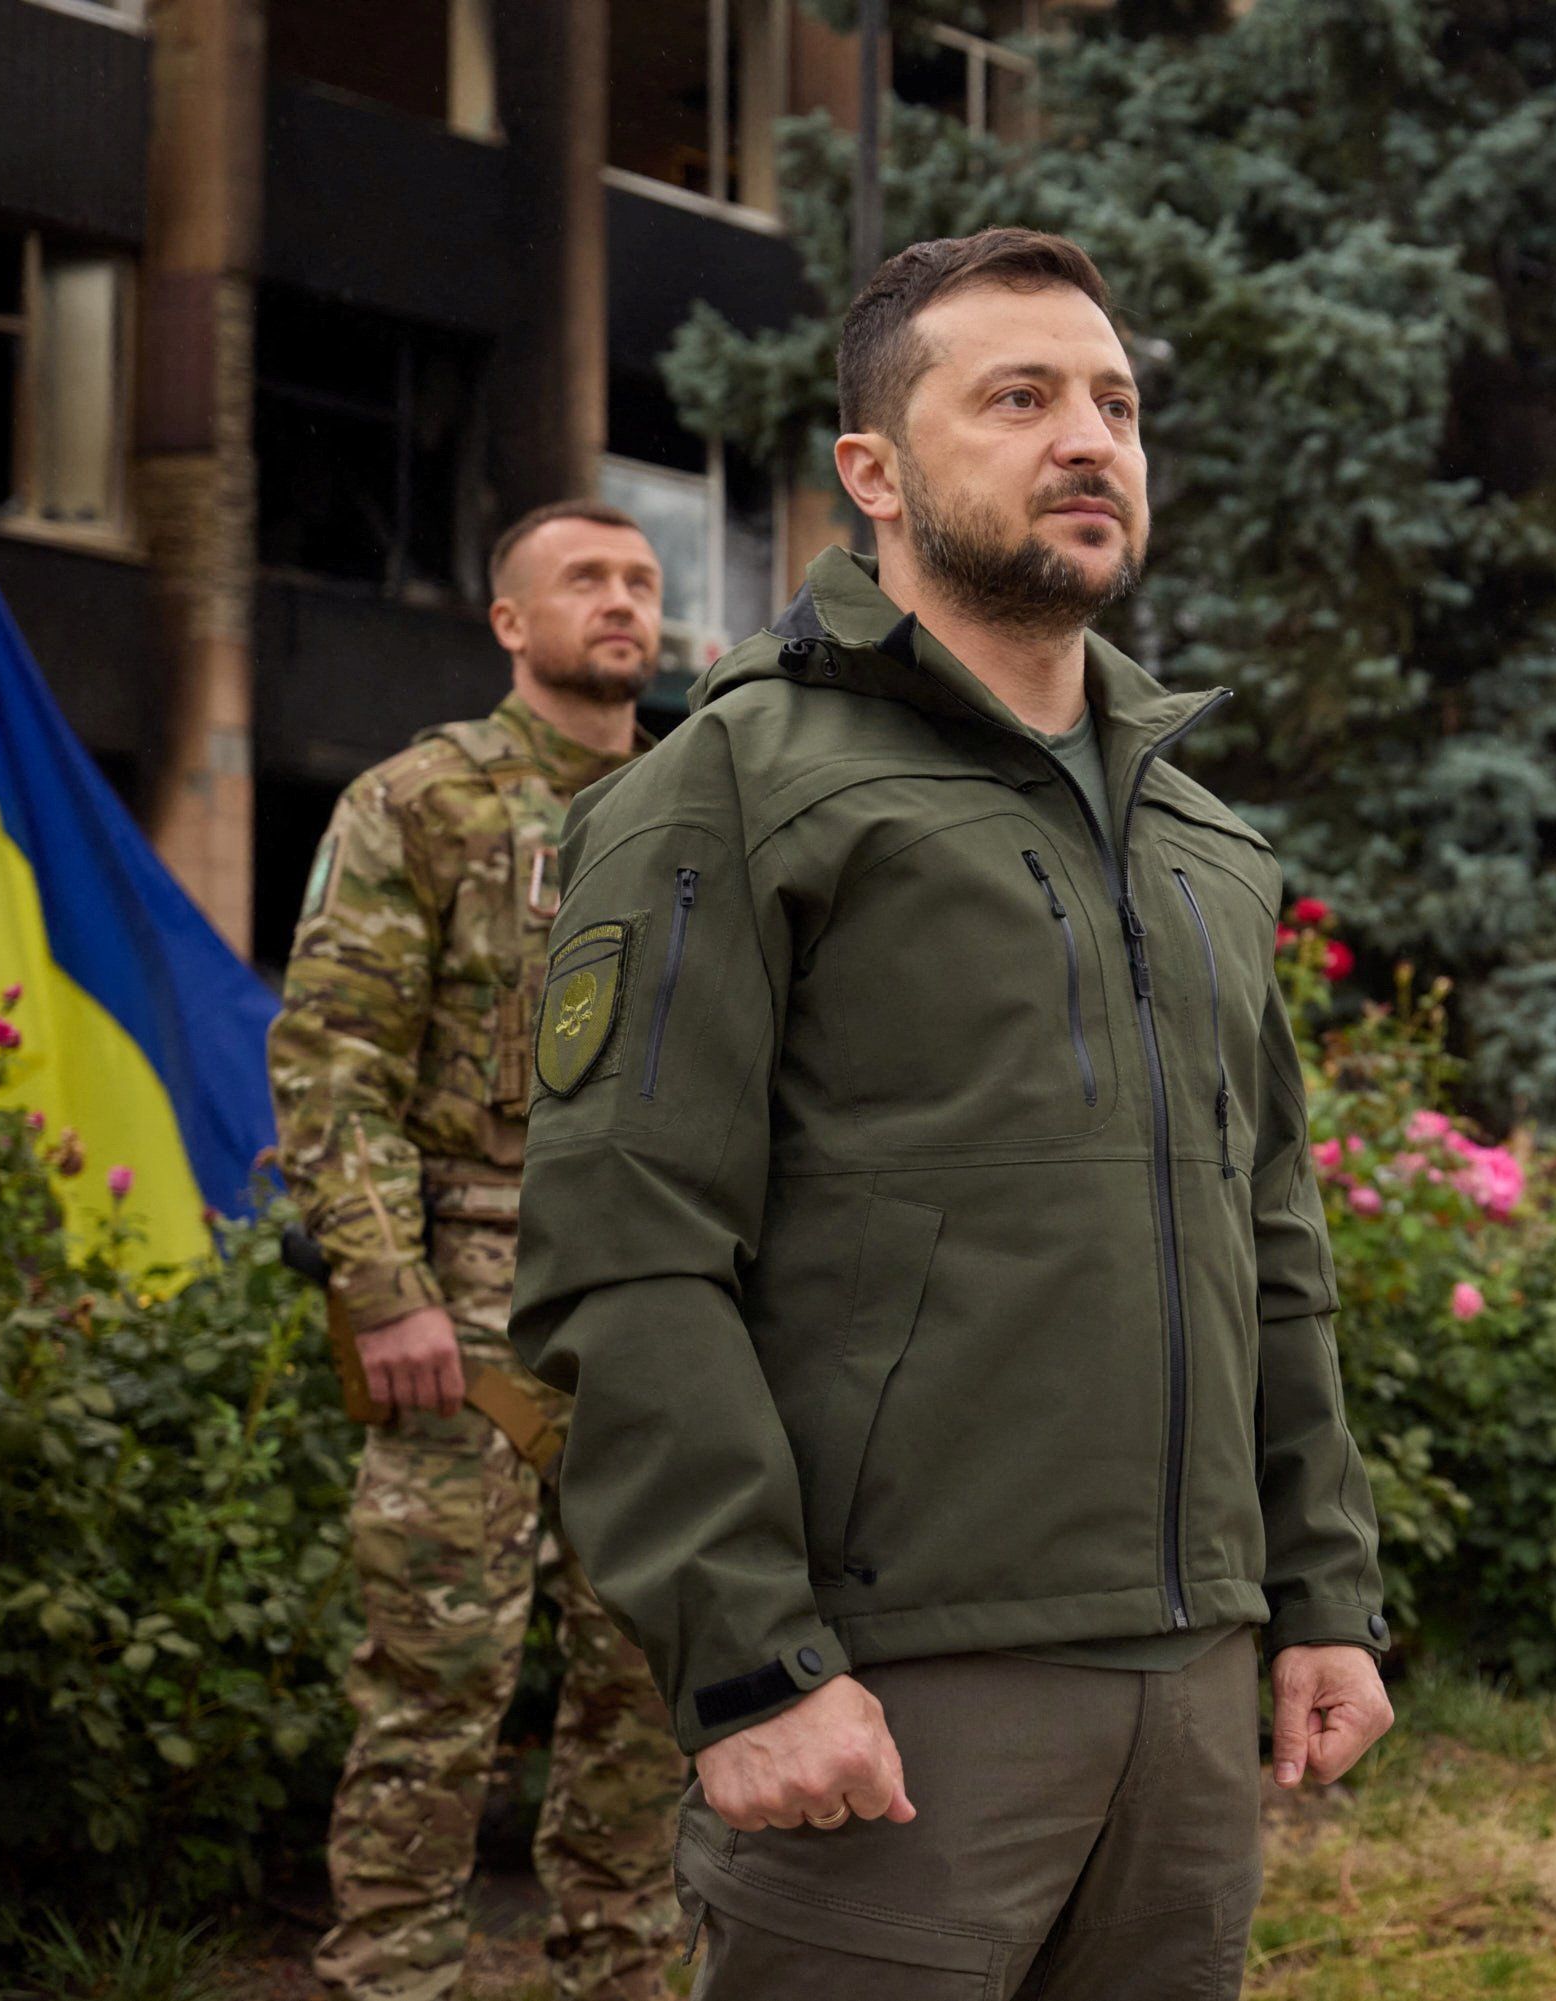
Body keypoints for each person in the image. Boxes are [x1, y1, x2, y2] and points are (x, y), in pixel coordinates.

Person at [508, 229, 1392, 1999]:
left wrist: (1322, 1592)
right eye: (1020, 397)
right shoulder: (735, 793)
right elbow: (625, 1259)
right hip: (893, 1703)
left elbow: (1267, 1244)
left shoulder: (1205, 841)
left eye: (1117, 403)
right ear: (875, 474)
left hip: (1193, 1700)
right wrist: (749, 1659)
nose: (1091, 439)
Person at [270, 500, 684, 2001]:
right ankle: (393, 1979)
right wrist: (385, 1289)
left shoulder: (705, 808)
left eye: (642, 580)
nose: (624, 602)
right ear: (511, 619)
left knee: (651, 1691)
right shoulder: (422, 802)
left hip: (669, 1315)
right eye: (587, 578)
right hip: (470, 1309)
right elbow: (332, 1058)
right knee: (435, 1691)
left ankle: (621, 1977)